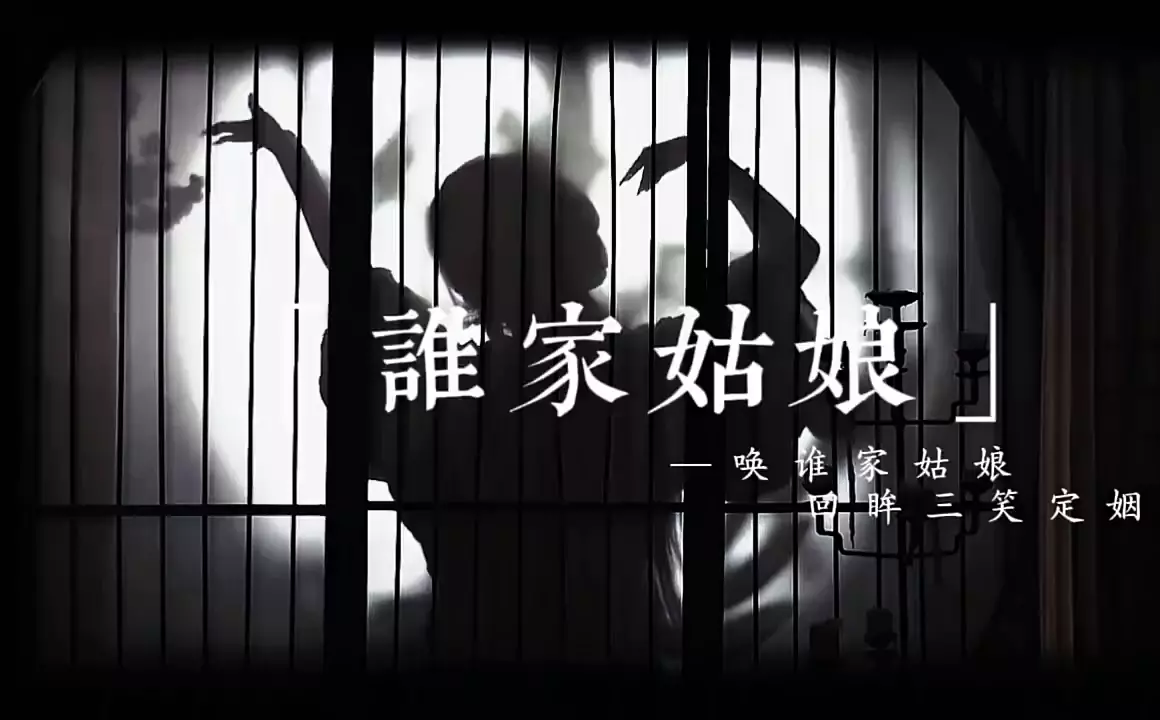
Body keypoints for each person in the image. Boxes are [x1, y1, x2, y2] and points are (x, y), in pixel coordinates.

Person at [208, 94, 842, 667]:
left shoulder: (454, 376)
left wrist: (287, 152)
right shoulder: (644, 366)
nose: (594, 221)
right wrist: (707, 164)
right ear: (542, 239)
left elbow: (349, 265)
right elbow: (793, 253)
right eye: (570, 213)